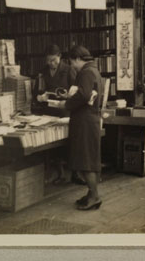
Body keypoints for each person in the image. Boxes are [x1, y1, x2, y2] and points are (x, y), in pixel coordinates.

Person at [32, 44, 84, 186]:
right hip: (49, 112)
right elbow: (36, 92)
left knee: (70, 143)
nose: (51, 63)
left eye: (54, 60)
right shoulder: (42, 72)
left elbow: (76, 90)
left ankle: (74, 173)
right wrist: (39, 97)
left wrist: (68, 96)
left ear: (60, 57)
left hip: (65, 112)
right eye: (48, 60)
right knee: (53, 144)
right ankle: (59, 173)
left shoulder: (68, 70)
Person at [60, 45, 103, 210]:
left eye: (72, 62)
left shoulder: (85, 72)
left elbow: (84, 95)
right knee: (90, 159)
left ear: (77, 58)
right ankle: (92, 194)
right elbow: (87, 93)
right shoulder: (94, 70)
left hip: (84, 121)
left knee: (86, 161)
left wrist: (67, 103)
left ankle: (94, 196)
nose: (72, 66)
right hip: (90, 119)